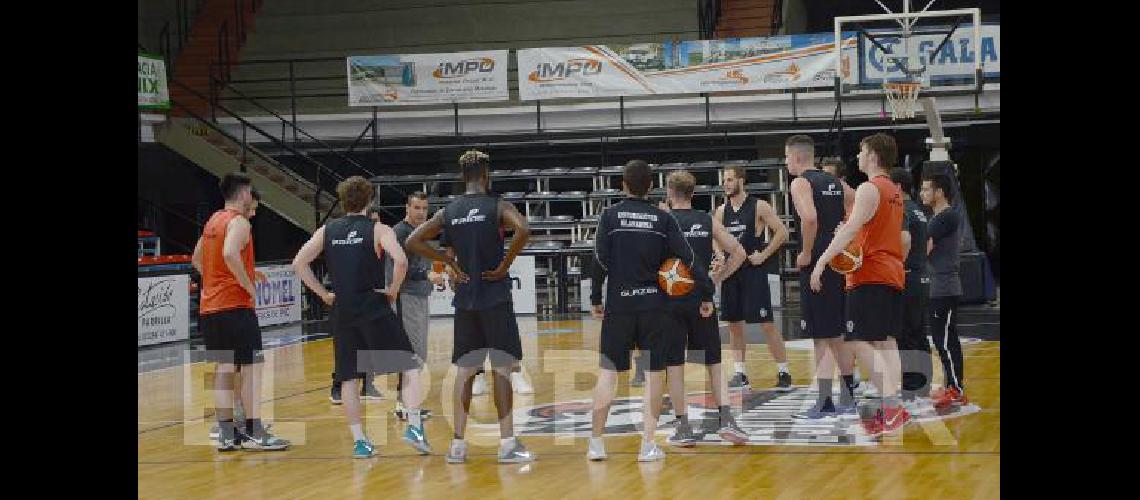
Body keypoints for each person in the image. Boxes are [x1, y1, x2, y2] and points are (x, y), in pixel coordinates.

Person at [406, 149, 536, 464]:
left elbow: (413, 241)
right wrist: (505, 264)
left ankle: (458, 446)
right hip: (495, 296)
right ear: (487, 176)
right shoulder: (497, 206)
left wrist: (447, 260)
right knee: (502, 370)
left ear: (463, 178)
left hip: (465, 300)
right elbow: (524, 229)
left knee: (465, 373)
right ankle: (506, 445)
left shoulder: (449, 211)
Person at [292, 176, 431, 458]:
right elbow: (401, 261)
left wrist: (323, 294)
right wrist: (392, 291)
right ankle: (414, 426)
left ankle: (360, 442)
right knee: (410, 365)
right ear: (369, 201)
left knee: (348, 379)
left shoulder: (327, 230)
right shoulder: (378, 229)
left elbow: (299, 263)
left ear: (343, 202)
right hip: (373, 304)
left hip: (343, 309)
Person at [586, 160, 714, 462]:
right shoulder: (662, 219)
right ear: (652, 187)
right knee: (656, 376)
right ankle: (647, 445)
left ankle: (595, 443)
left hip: (619, 305)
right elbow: (688, 258)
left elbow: (599, 260)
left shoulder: (610, 216)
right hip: (653, 308)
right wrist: (706, 291)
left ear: (623, 185)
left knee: (608, 373)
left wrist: (595, 296)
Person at [809, 133, 910, 436]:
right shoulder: (893, 190)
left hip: (870, 274)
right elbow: (868, 230)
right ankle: (892, 409)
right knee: (886, 342)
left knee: (855, 341)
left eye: (862, 151)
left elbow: (851, 229)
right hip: (892, 272)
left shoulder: (869, 188)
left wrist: (821, 261)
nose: (858, 157)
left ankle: (891, 405)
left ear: (874, 155)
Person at [191, 173, 289, 451]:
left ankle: (225, 432)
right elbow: (230, 253)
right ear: (244, 194)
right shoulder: (239, 222)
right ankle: (255, 431)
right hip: (235, 305)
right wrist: (246, 286)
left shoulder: (213, 220)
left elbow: (198, 258)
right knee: (250, 369)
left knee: (224, 368)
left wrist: (222, 278)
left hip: (211, 306)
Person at [658, 170, 749, 446]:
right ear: (693, 193)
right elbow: (740, 253)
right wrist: (715, 279)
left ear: (670, 194)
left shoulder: (664, 221)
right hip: (702, 300)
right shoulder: (706, 219)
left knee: (674, 365)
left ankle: (683, 427)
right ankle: (727, 420)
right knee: (714, 362)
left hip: (670, 301)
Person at [783, 135, 858, 420]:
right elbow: (856, 203)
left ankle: (825, 400)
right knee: (837, 332)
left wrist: (805, 252)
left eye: (787, 157)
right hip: (837, 261)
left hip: (817, 263)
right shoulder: (834, 182)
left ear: (798, 157)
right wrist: (843, 232)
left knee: (820, 337)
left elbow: (810, 218)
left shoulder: (800, 182)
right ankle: (849, 395)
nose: (786, 162)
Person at [714, 165, 792, 390]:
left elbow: (782, 232)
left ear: (741, 181)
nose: (726, 184)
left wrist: (764, 254)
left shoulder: (758, 205)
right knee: (734, 326)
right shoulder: (721, 211)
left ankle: (784, 371)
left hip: (752, 272)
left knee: (767, 324)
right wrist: (720, 256)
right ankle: (740, 374)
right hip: (731, 273)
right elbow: (714, 237)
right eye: (724, 181)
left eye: (729, 180)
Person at [382, 194, 443, 421]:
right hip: (406, 296)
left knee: (416, 353)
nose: (421, 212)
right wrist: (426, 274)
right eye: (416, 207)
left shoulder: (421, 232)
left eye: (425, 208)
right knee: (414, 353)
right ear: (407, 207)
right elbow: (400, 268)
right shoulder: (401, 232)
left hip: (417, 295)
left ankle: (404, 403)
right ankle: (406, 405)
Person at [920, 173, 969, 410]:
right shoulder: (939, 217)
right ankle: (952, 384)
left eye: (927, 189)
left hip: (945, 287)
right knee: (943, 339)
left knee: (946, 341)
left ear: (939, 192)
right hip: (939, 287)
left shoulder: (945, 216)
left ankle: (956, 389)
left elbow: (924, 248)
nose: (922, 194)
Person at [891, 168, 934, 407]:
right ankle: (924, 385)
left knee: (905, 334)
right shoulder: (920, 210)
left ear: (897, 187)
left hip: (907, 277)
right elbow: (927, 242)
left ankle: (909, 388)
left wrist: (896, 262)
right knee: (919, 332)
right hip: (922, 276)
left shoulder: (902, 208)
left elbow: (904, 239)